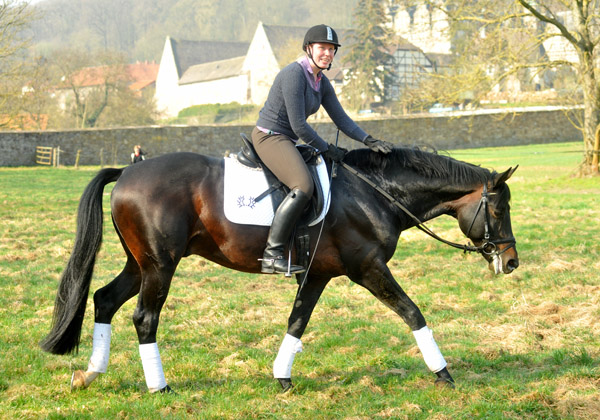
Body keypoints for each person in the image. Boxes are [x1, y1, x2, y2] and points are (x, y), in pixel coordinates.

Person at [251, 24, 394, 275]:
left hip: (288, 139)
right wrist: (326, 148)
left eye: (331, 49)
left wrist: (368, 140)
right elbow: (299, 125)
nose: (327, 53)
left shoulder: (321, 82)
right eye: (322, 48)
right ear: (309, 49)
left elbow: (342, 119)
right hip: (270, 137)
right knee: (303, 186)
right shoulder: (293, 74)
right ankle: (272, 253)